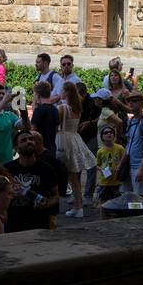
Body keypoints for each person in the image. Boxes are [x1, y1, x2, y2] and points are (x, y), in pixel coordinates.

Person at [5, 130, 59, 233]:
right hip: (13, 225)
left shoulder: (47, 169)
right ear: (16, 148)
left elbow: (56, 196)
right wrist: (11, 195)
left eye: (31, 139)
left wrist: (47, 204)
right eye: (23, 140)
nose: (28, 141)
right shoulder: (7, 169)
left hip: (39, 225)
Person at [57, 80, 95, 217]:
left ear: (66, 92)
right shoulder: (77, 108)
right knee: (74, 178)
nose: (60, 92)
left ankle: (76, 207)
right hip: (74, 139)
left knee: (67, 175)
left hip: (63, 140)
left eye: (62, 90)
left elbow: (56, 124)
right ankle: (78, 207)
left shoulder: (63, 108)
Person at [120, 91, 143, 198]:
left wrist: (141, 169)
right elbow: (128, 144)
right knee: (126, 196)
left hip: (139, 166)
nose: (130, 103)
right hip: (129, 165)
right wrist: (121, 164)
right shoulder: (131, 121)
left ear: (142, 103)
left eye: (134, 101)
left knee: (140, 198)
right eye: (128, 101)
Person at [94, 124, 125, 211]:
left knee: (117, 204)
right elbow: (97, 164)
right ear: (102, 137)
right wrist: (102, 169)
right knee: (103, 204)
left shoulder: (120, 148)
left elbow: (124, 160)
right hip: (104, 182)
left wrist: (119, 166)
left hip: (116, 181)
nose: (109, 134)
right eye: (106, 132)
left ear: (114, 135)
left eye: (111, 132)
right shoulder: (100, 151)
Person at [31, 81, 60, 156]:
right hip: (52, 149)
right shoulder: (55, 109)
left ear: (38, 95)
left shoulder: (38, 110)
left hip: (40, 150)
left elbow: (32, 131)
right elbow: (56, 130)